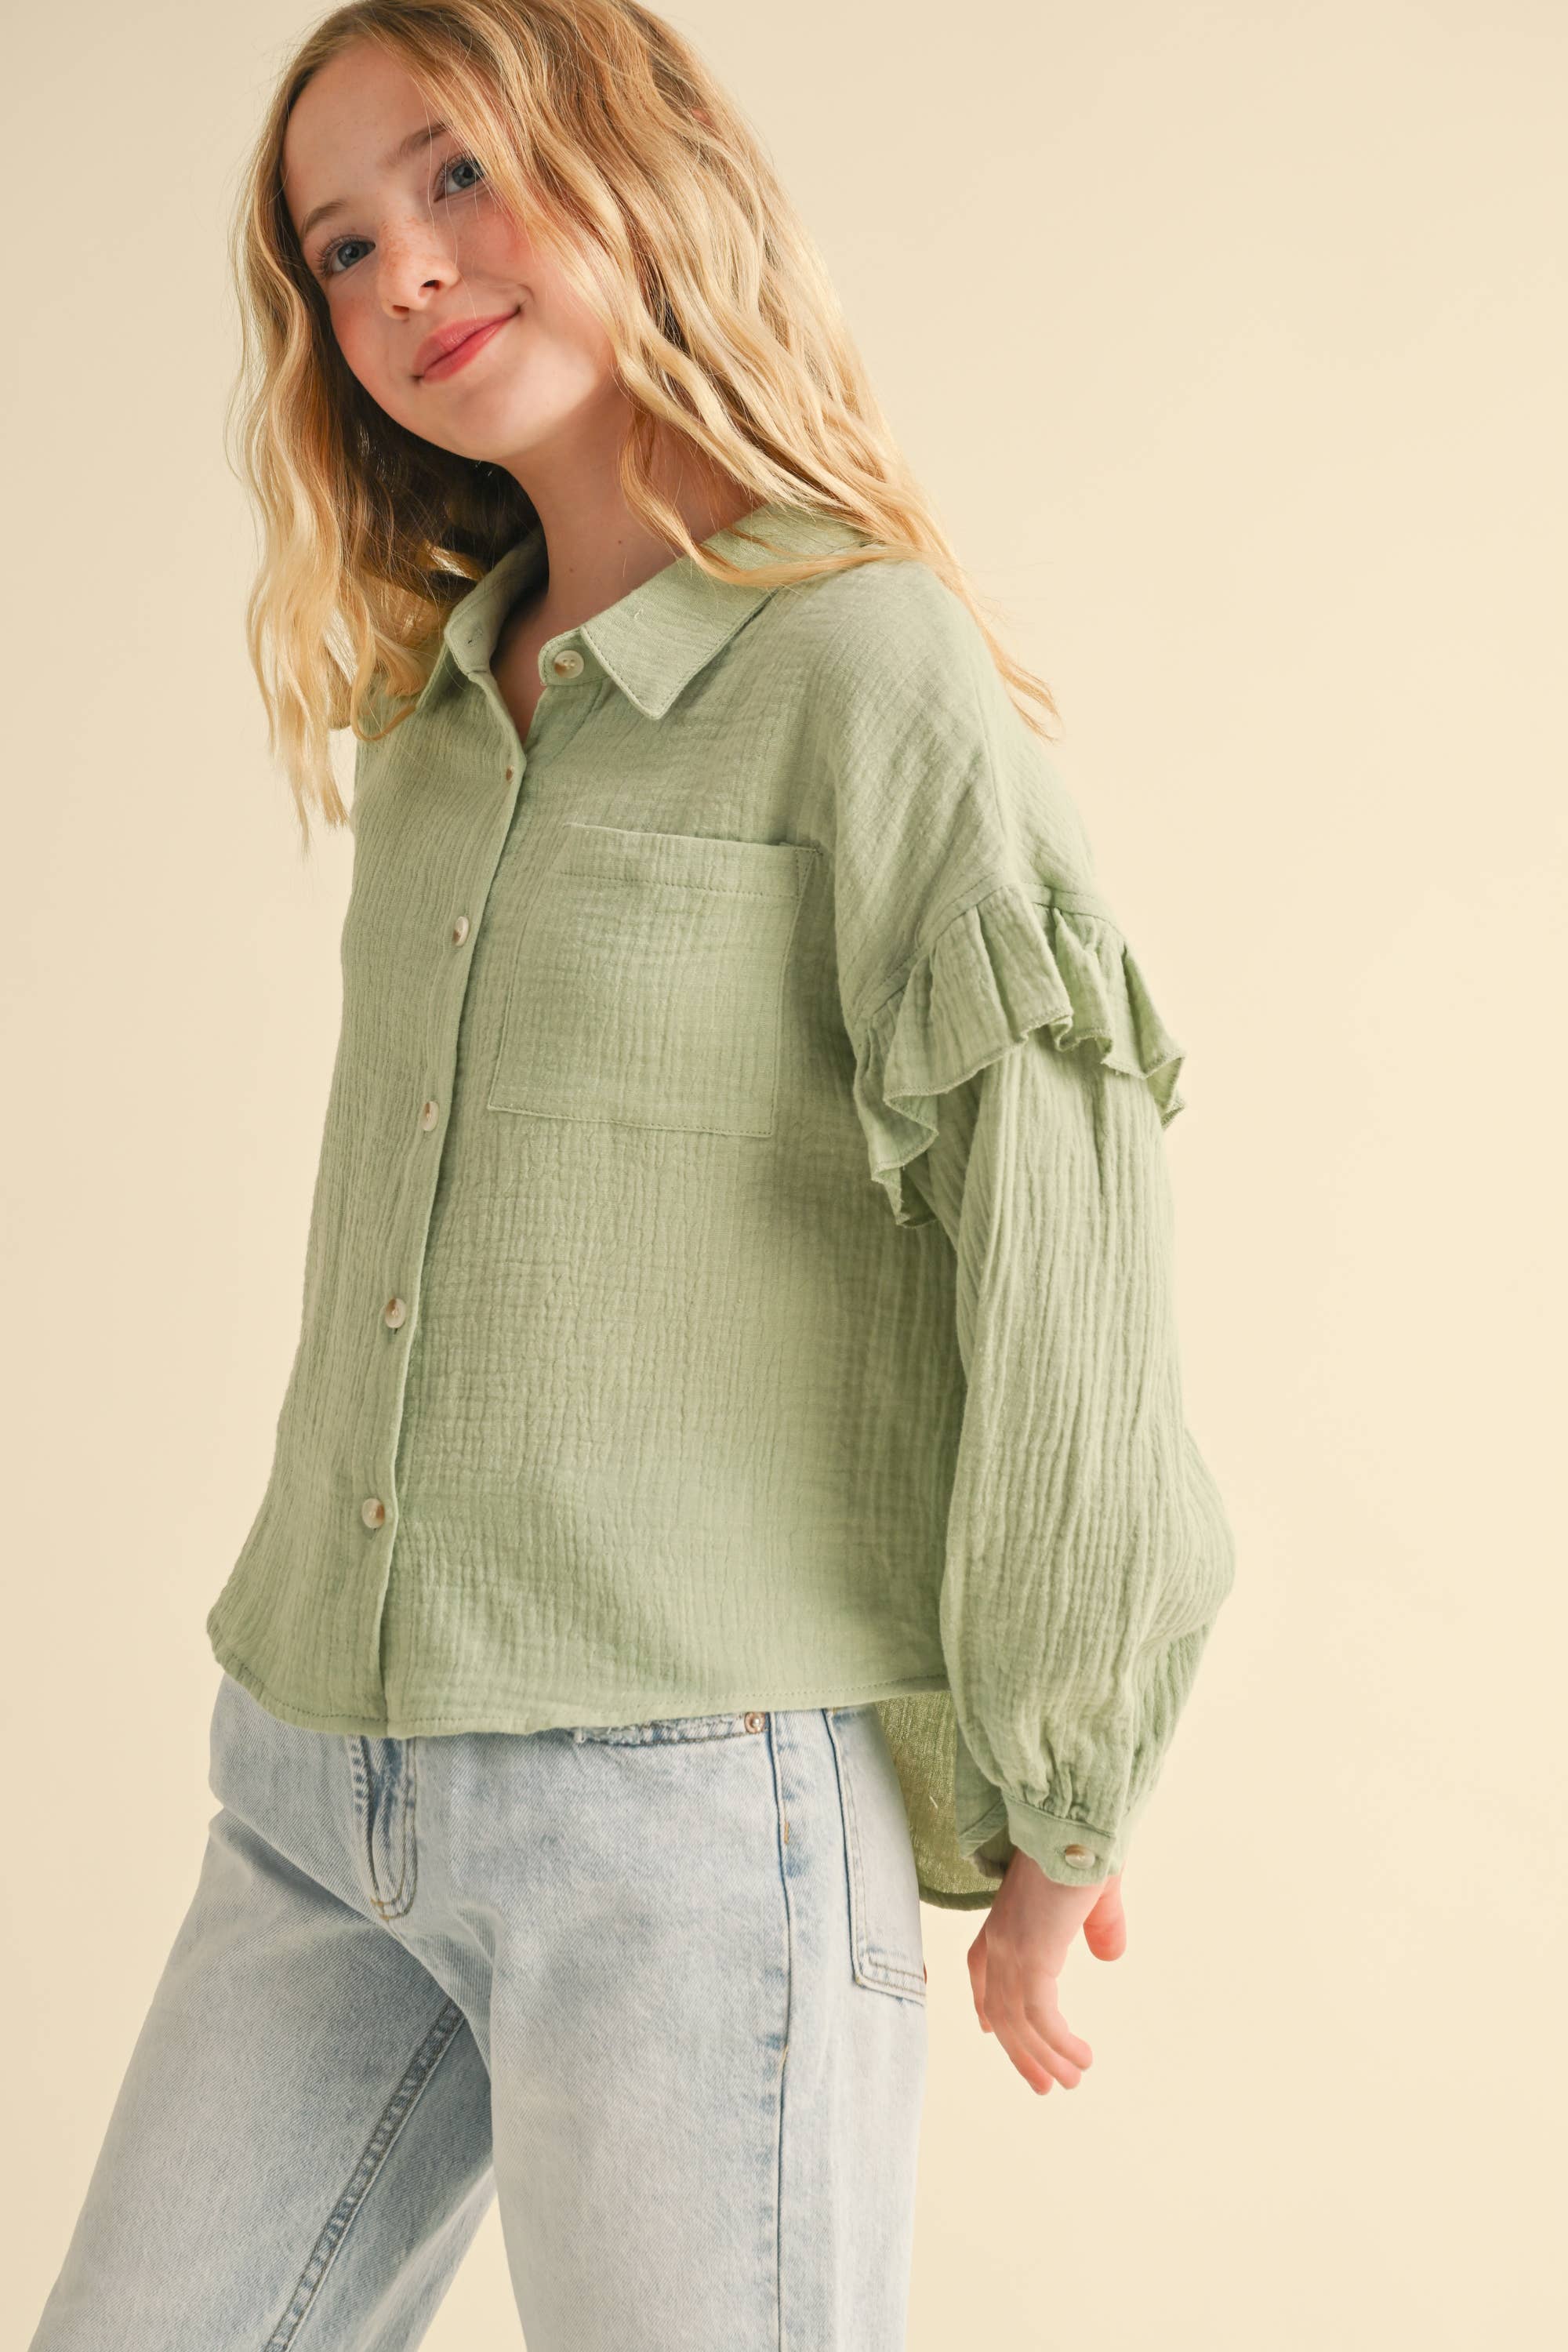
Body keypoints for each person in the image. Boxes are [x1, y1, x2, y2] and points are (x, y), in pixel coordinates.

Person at [27, 2, 1237, 2346]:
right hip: (309, 1789)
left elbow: (1067, 1256)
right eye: (341, 244)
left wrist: (1056, 1799)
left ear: (636, 159)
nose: (405, 272)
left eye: (459, 177)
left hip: (680, 1820)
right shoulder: (432, 720)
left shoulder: (866, 669)